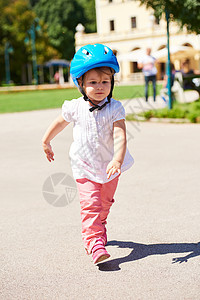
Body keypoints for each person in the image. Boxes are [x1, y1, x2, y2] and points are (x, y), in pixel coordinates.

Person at [42, 44, 134, 264]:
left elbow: (120, 134)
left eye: (105, 82)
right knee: (91, 204)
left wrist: (117, 159)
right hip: (85, 166)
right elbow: (58, 123)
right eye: (93, 82)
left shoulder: (115, 108)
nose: (100, 87)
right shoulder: (75, 107)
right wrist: (46, 140)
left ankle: (99, 227)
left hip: (111, 166)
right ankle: (94, 243)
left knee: (105, 204)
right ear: (80, 84)